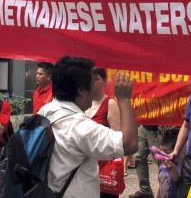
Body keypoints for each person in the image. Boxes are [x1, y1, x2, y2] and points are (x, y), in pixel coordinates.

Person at [38, 56, 138, 197]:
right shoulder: (79, 126)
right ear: (81, 90)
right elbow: (129, 144)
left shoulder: (45, 111)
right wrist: (125, 99)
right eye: (91, 83)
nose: (94, 88)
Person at [86, 67, 121, 198]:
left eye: (97, 79)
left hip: (104, 170)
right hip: (84, 169)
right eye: (90, 79)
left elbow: (117, 139)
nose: (93, 82)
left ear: (105, 82)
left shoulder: (110, 103)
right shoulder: (82, 103)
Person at [129, 125, 160, 198]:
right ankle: (145, 190)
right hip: (144, 124)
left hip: (158, 126)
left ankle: (167, 189)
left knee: (161, 160)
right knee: (138, 157)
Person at [155, 132, 180, 198]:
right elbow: (159, 183)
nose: (164, 156)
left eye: (167, 153)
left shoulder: (178, 166)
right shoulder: (161, 166)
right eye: (161, 153)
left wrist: (172, 168)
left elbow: (176, 179)